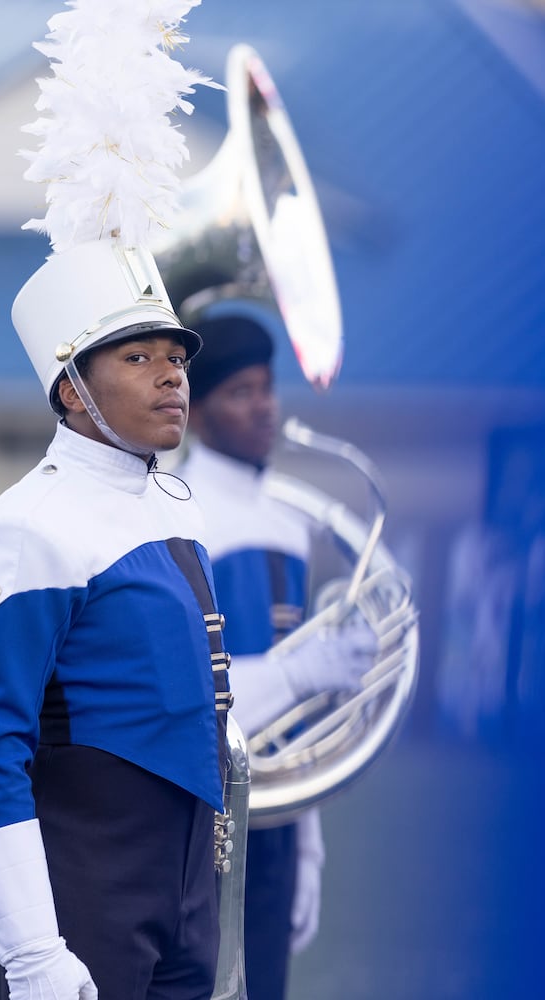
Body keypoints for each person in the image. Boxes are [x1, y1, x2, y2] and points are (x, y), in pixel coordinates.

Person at [0, 239, 231, 1000]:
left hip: (184, 881)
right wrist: (31, 949)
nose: (170, 376)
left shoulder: (171, 509)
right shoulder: (31, 524)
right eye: (136, 358)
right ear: (70, 392)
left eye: (176, 358)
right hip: (80, 890)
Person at [173, 312, 377, 1000]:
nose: (263, 405)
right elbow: (189, 696)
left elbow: (295, 720)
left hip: (277, 814)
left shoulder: (289, 522)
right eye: (238, 392)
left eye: (266, 386)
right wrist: (305, 669)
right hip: (203, 818)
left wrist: (307, 841)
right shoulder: (181, 515)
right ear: (197, 413)